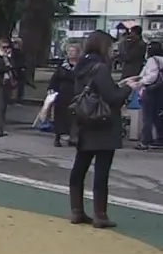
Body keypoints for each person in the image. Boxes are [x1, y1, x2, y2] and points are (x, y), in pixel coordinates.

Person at [68, 31, 143, 228]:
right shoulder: (100, 68)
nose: (112, 49)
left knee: (79, 167)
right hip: (103, 125)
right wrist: (129, 88)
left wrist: (119, 84)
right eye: (110, 46)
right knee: (101, 171)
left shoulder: (82, 67)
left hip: (85, 123)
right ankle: (100, 215)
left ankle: (76, 211)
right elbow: (113, 98)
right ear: (103, 46)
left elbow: (90, 92)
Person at [48, 44, 81, 148]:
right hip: (62, 93)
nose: (70, 53)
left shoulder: (81, 66)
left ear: (78, 53)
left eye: (73, 51)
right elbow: (55, 78)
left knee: (73, 116)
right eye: (69, 51)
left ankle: (73, 137)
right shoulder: (62, 65)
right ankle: (57, 138)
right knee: (59, 115)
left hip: (75, 93)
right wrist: (51, 88)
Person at [133, 41, 163, 150]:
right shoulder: (161, 59)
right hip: (160, 90)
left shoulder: (152, 60)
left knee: (147, 116)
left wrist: (141, 82)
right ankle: (160, 139)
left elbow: (151, 76)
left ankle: (145, 141)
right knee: (158, 116)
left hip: (150, 90)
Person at [0, 39, 15, 137]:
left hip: (7, 83)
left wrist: (9, 58)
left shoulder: (7, 56)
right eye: (4, 47)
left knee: (4, 106)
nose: (6, 49)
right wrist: (8, 66)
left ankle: (1, 127)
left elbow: (14, 66)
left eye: (7, 47)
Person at [10, 37, 30, 102]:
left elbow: (23, 61)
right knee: (14, 83)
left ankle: (18, 97)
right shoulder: (13, 52)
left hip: (19, 70)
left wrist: (23, 67)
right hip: (15, 69)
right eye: (14, 43)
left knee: (20, 84)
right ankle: (13, 97)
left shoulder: (20, 52)